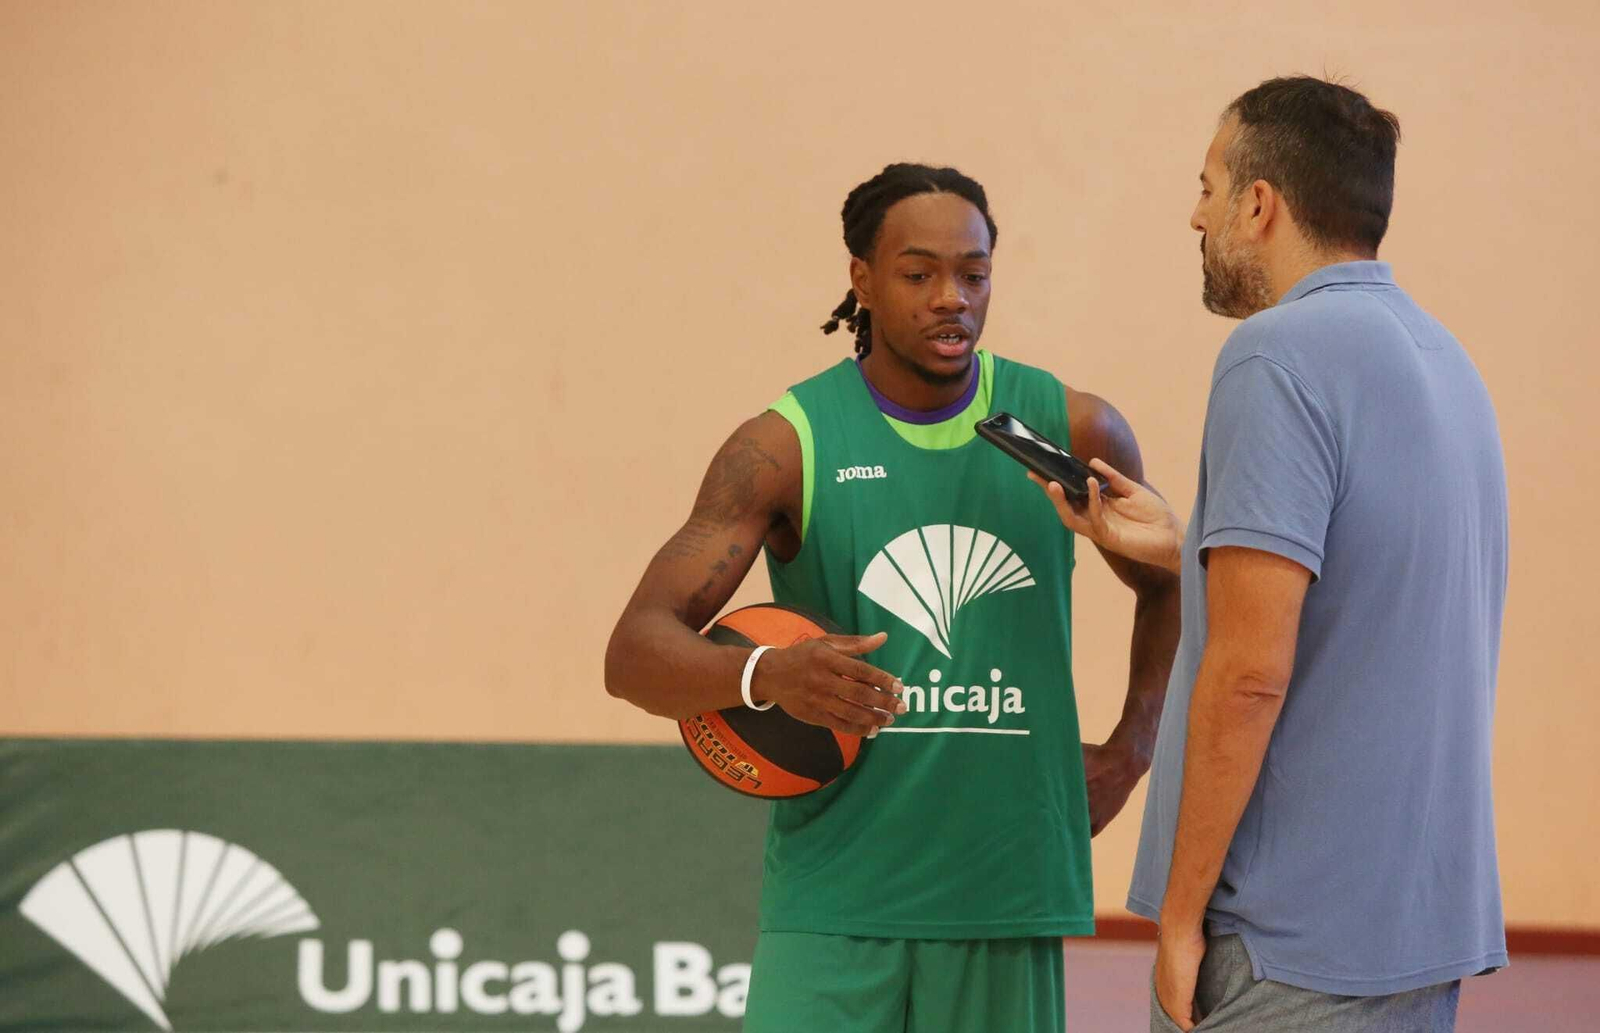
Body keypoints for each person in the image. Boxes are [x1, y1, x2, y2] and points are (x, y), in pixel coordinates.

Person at [605, 162, 1181, 1031]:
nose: (951, 297)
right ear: (862, 280)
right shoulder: (785, 444)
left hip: (1006, 892)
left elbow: (1174, 580)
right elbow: (635, 651)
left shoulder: (1069, 428)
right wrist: (766, 675)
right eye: (918, 274)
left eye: (974, 274)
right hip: (836, 898)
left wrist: (1135, 747)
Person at [1034, 77, 1509, 1032]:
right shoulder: (1445, 359)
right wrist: (1185, 549)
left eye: (1208, 186)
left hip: (1284, 944)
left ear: (1260, 204)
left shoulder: (1275, 355)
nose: (1195, 214)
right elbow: (1375, 594)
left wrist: (1177, 917)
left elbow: (1250, 673)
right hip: (1417, 930)